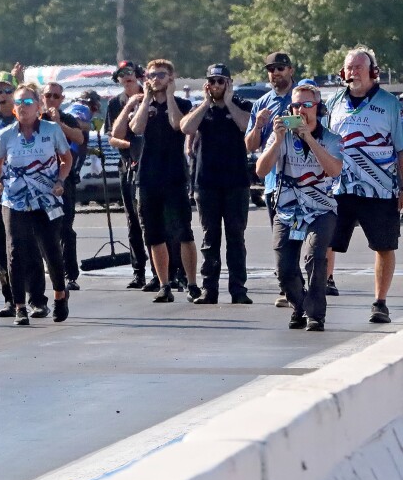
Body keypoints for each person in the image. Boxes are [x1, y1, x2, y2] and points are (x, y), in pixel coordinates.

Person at [258, 81, 344, 330]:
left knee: (315, 257)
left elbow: (334, 170)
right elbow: (261, 170)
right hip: (288, 210)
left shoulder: (331, 138)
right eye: (295, 106)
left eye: (306, 105)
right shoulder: (281, 134)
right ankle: (300, 305)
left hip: (321, 209)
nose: (300, 111)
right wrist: (276, 142)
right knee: (284, 269)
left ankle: (315, 314)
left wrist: (309, 138)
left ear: (318, 108)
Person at [327, 46, 403, 324]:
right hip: (339, 186)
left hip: (379, 188)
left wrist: (402, 187)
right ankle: (317, 295)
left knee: (384, 246)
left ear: (373, 71)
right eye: (349, 67)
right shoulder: (334, 102)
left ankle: (380, 303)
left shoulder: (390, 104)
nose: (353, 71)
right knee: (324, 239)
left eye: (359, 66)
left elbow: (401, 148)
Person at [0, 83, 73, 326]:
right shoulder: (6, 134)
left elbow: (66, 158)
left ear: (38, 106)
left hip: (47, 198)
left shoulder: (51, 130)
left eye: (28, 102)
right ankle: (20, 307)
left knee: (50, 249)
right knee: (15, 252)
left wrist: (60, 180)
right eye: (18, 103)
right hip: (15, 200)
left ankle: (59, 296)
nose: (23, 107)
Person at [119, 57, 199, 303]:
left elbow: (178, 125)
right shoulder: (144, 104)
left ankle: (192, 282)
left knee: (183, 231)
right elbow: (136, 128)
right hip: (147, 176)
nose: (156, 79)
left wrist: (171, 97)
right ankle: (164, 284)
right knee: (153, 234)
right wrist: (145, 100)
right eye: (152, 75)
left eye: (161, 75)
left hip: (174, 176)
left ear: (171, 78)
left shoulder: (183, 103)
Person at [180, 64, 253, 304]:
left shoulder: (242, 105)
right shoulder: (201, 109)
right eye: (212, 81)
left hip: (236, 182)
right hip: (207, 182)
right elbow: (186, 127)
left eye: (221, 81)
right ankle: (209, 289)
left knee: (236, 237)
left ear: (229, 83)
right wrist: (204, 102)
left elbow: (246, 126)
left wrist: (229, 102)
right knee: (210, 238)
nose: (217, 86)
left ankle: (238, 290)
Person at [0, 76, 44, 317]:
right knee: (0, 248)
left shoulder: (26, 120)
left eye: (7, 90)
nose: (2, 95)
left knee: (28, 244)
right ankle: (11, 299)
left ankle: (37, 299)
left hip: (25, 190)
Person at [246, 51, 300, 307]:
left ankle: (309, 283)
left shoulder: (303, 97)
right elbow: (249, 145)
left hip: (306, 179)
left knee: (307, 235)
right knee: (282, 238)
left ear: (290, 70)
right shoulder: (262, 103)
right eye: (271, 69)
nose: (275, 73)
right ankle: (287, 288)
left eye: (280, 68)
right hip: (275, 183)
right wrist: (258, 125)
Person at [104, 62, 153, 289]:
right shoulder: (116, 104)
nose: (127, 78)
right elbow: (111, 138)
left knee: (153, 221)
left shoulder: (151, 96)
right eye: (122, 75)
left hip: (153, 166)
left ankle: (163, 271)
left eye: (130, 74)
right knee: (133, 220)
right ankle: (138, 271)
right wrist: (130, 144)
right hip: (128, 165)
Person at [41, 83, 90, 288]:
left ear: (61, 99)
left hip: (64, 179)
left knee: (65, 228)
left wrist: (58, 123)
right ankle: (48, 267)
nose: (51, 99)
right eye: (48, 95)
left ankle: (70, 274)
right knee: (40, 228)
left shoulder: (67, 118)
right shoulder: (34, 118)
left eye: (56, 96)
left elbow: (79, 138)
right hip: (39, 180)